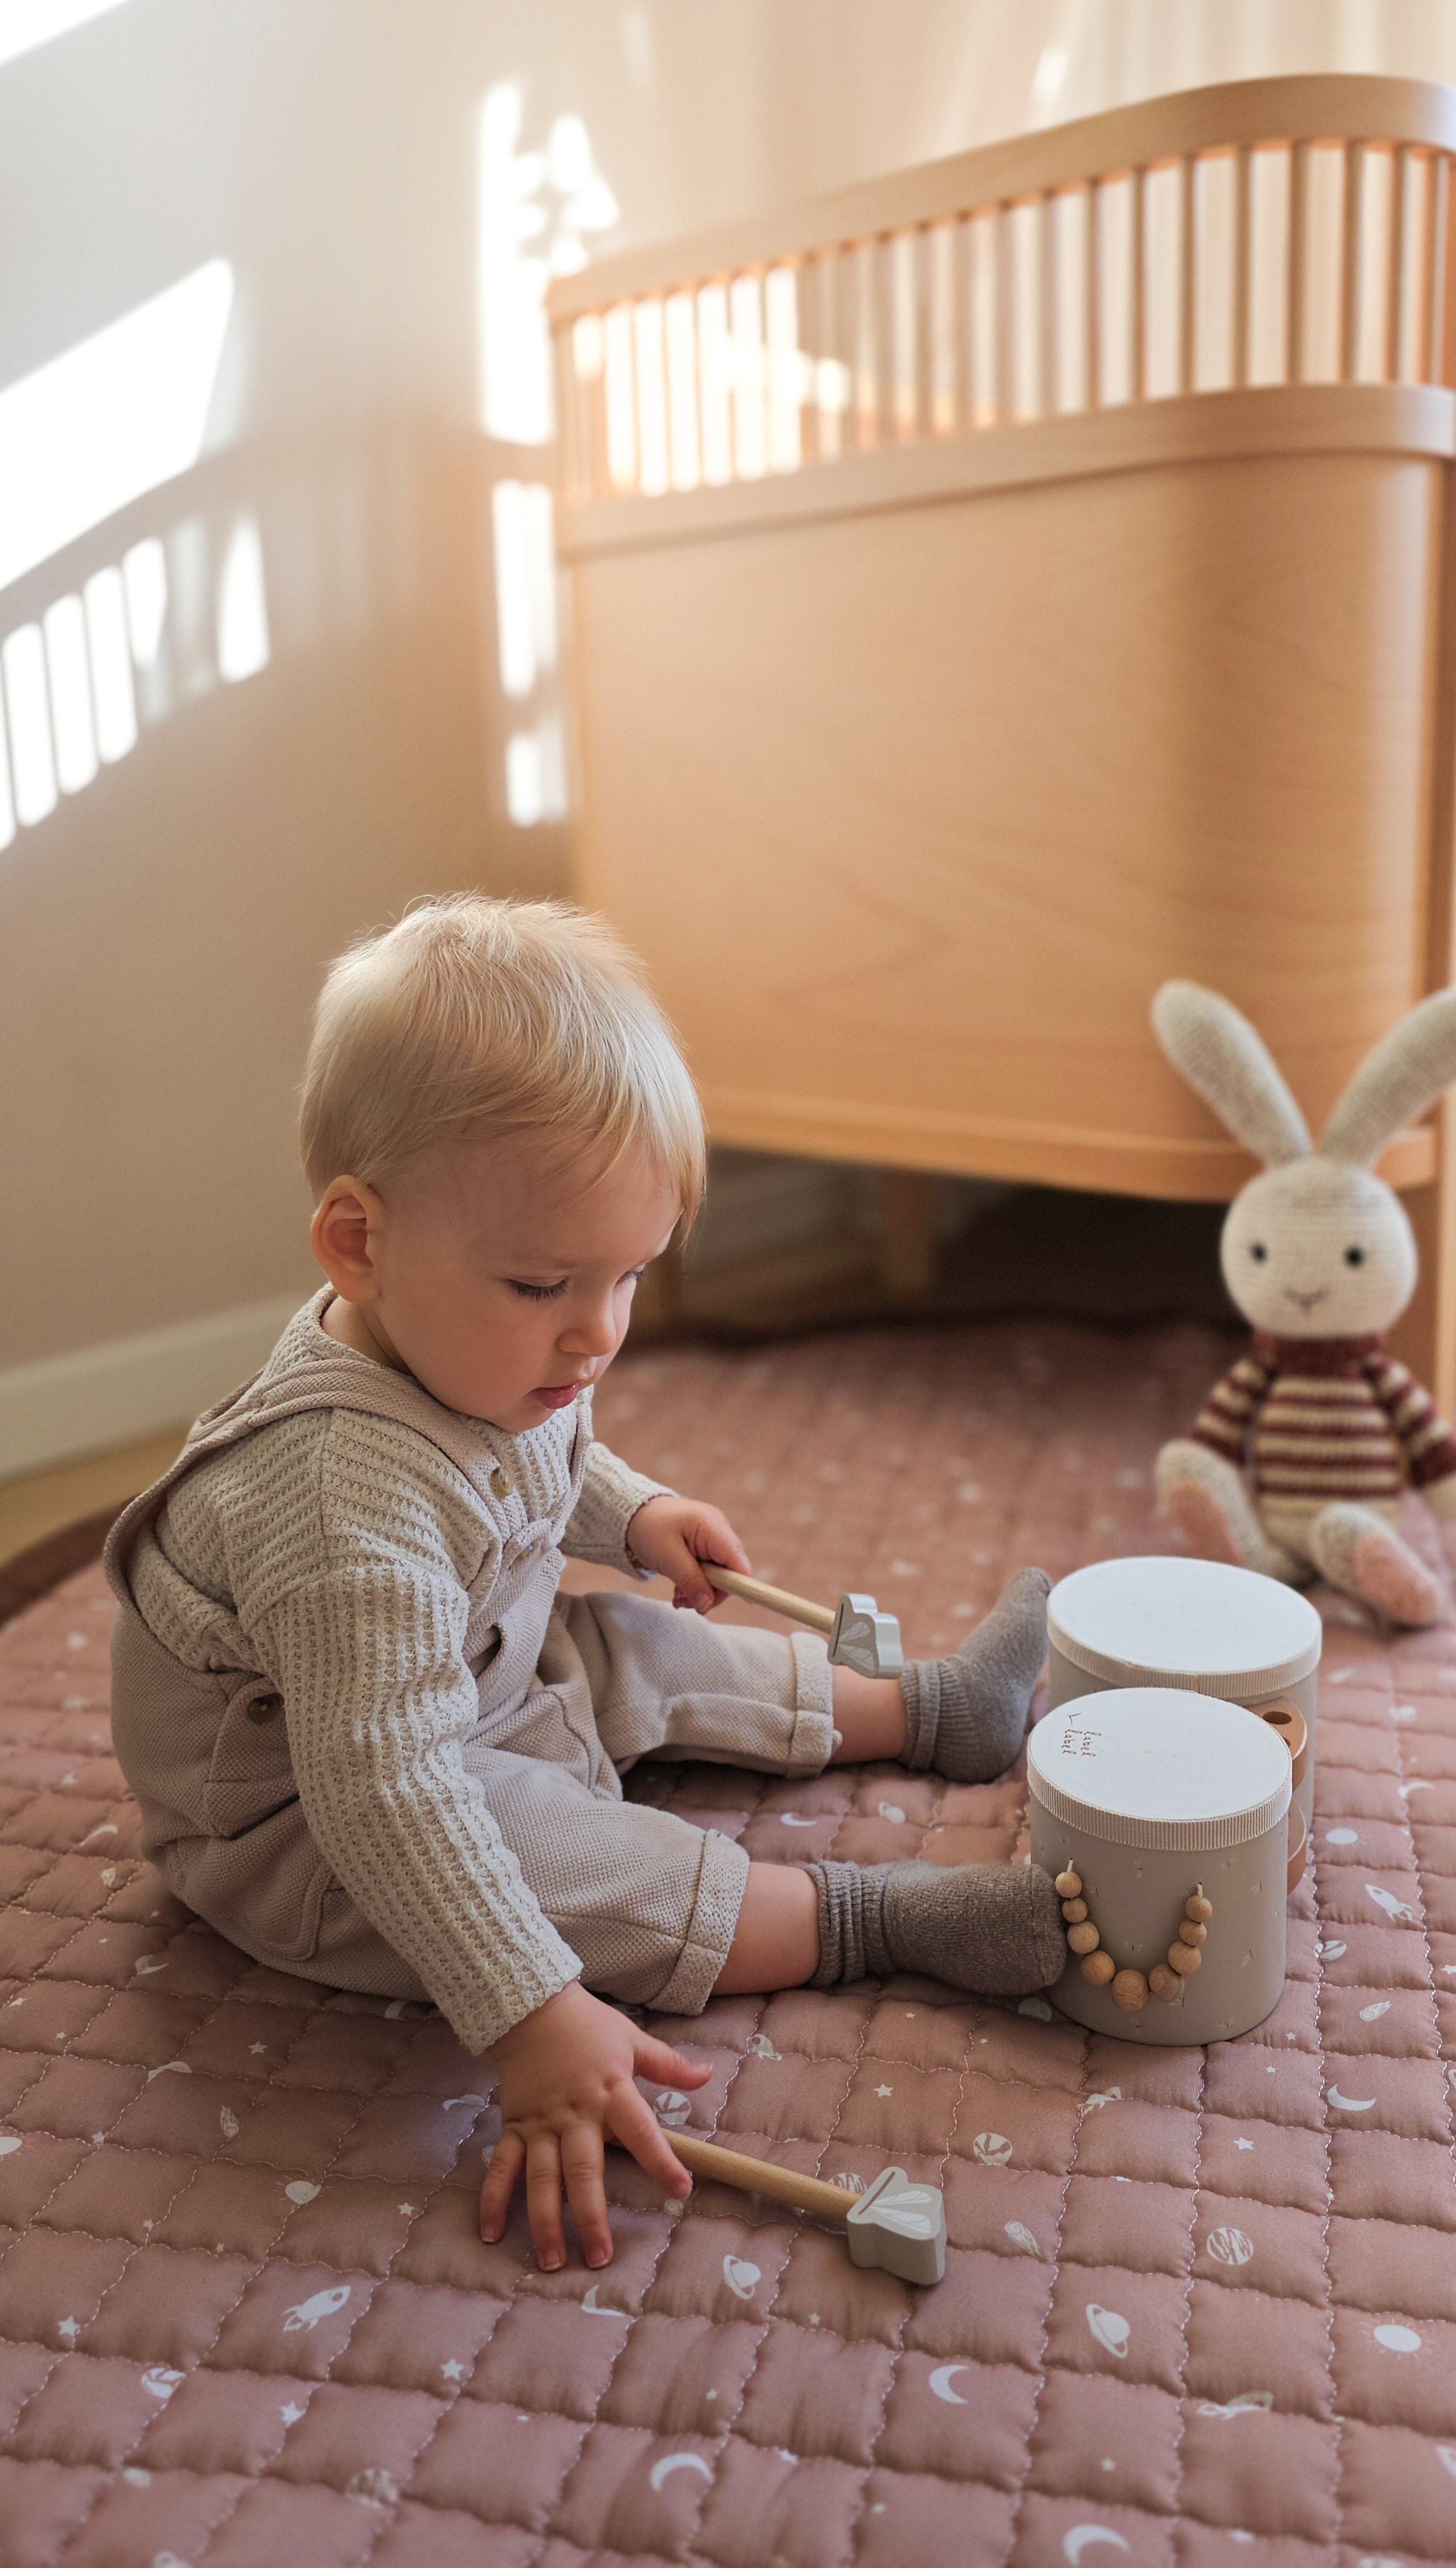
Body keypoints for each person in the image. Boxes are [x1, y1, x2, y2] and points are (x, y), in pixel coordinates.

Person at [106, 894, 1061, 2270]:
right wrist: (530, 2012)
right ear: (358, 1243)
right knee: (572, 1860)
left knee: (635, 1645)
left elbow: (537, 1450)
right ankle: (877, 1918)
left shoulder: (470, 1347)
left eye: (629, 1276)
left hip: (467, 1670)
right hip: (318, 1820)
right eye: (547, 1283)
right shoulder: (340, 1508)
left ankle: (933, 1707)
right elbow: (389, 1792)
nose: (598, 1333)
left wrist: (636, 1510)